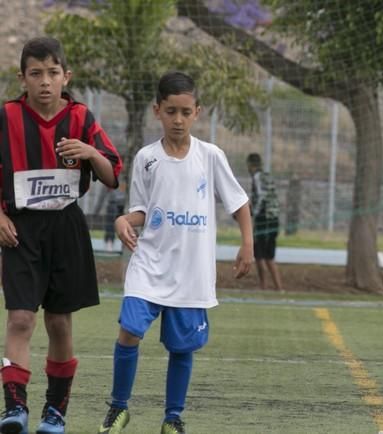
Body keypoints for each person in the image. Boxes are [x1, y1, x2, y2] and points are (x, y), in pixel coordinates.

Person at [97, 71, 254, 434]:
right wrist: (125, 220)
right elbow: (142, 210)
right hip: (149, 265)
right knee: (129, 332)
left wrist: (247, 243)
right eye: (171, 111)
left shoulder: (210, 156)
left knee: (182, 348)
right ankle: (118, 408)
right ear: (157, 111)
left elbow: (239, 203)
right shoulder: (147, 157)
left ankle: (172, 418)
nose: (178, 120)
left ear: (197, 111)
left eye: (185, 111)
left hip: (191, 271)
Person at [0, 36, 122, 434]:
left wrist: (91, 153)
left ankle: (55, 412)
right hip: (20, 229)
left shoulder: (81, 118)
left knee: (59, 323)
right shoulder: (6, 117)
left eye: (53, 73)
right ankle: (15, 408)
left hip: (66, 227)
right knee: (20, 319)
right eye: (36, 74)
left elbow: (112, 176)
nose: (45, 82)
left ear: (65, 76)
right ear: (23, 78)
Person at [246, 153, 283, 291]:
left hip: (263, 219)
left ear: (250, 164)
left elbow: (261, 196)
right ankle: (279, 288)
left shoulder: (257, 177)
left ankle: (263, 287)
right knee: (270, 256)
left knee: (260, 255)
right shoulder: (268, 176)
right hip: (274, 218)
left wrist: (253, 214)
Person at [104, 183, 126, 252]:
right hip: (114, 206)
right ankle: (109, 242)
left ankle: (112, 243)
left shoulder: (121, 182)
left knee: (112, 225)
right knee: (110, 226)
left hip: (119, 207)